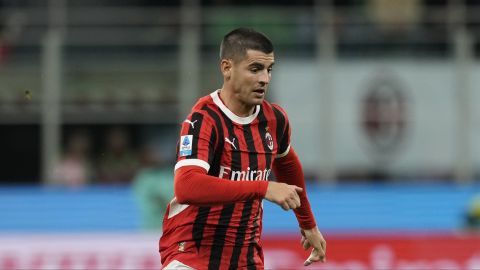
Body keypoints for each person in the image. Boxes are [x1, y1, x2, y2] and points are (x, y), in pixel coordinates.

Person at [159, 28, 326, 269]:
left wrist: (308, 224)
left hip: (245, 257)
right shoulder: (204, 119)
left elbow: (287, 165)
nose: (265, 79)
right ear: (227, 68)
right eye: (255, 69)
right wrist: (263, 187)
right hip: (192, 253)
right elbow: (186, 186)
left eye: (269, 70)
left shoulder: (274, 119)